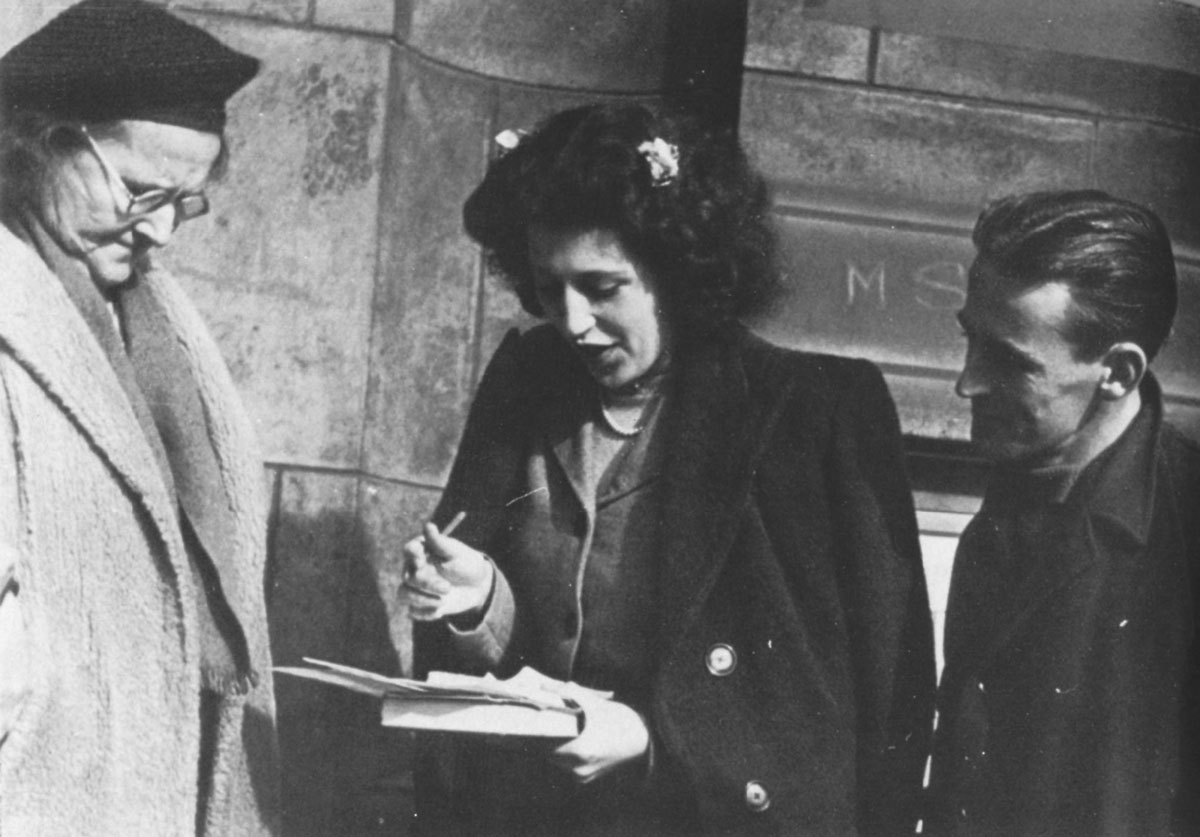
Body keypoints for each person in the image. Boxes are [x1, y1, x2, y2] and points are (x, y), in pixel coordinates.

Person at [398, 103, 936, 835]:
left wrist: (651, 739)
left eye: (601, 286)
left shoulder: (812, 411)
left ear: (675, 269)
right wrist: (476, 601)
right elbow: (517, 648)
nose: (572, 320)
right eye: (549, 287)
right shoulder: (526, 381)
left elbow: (874, 704)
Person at [0, 1, 280, 833]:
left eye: (184, 202)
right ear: (39, 142)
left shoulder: (156, 329)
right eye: (138, 190)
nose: (159, 228)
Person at [925, 190, 1200, 834]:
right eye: (972, 340)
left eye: (1010, 361)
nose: (967, 383)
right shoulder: (1015, 499)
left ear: (1118, 372)